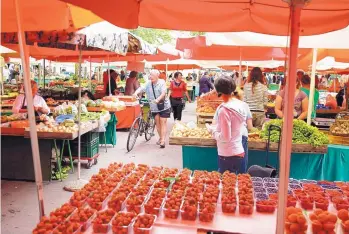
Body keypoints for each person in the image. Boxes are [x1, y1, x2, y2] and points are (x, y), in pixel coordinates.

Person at [208, 76, 246, 174]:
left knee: (226, 185)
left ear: (219, 91)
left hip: (228, 154)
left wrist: (213, 131)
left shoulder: (224, 110)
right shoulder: (240, 105)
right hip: (238, 150)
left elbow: (225, 137)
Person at [134, 70, 171, 148]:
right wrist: (135, 93)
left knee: (163, 122)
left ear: (157, 76)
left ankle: (163, 140)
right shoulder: (148, 83)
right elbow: (141, 88)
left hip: (163, 105)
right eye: (150, 75)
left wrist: (158, 99)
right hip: (154, 106)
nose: (151, 77)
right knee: (157, 123)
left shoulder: (162, 82)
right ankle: (161, 138)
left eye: (153, 75)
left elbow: (163, 92)